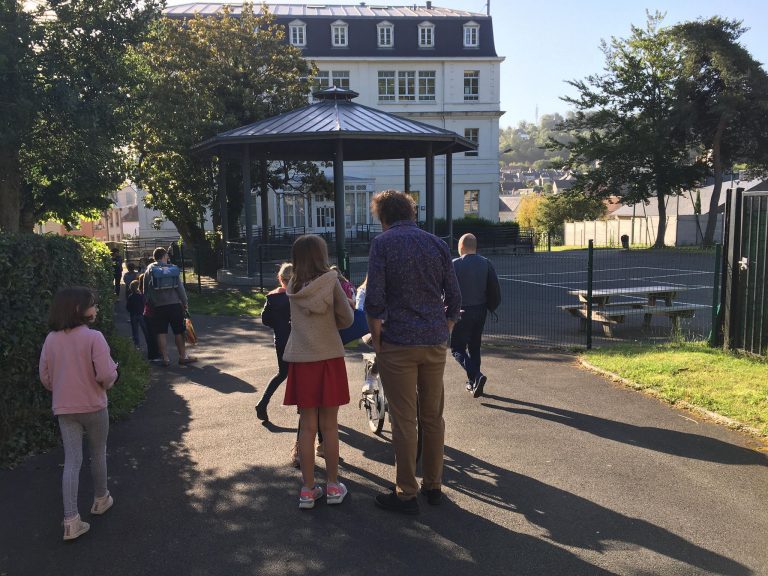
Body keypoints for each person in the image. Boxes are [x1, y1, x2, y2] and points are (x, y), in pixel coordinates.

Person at [365, 190, 461, 514]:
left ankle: (406, 492)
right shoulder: (437, 244)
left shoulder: (383, 244)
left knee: (405, 420)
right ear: (412, 212)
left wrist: (378, 341)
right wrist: (444, 328)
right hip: (434, 342)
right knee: (433, 416)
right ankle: (434, 485)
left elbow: (374, 300)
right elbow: (455, 298)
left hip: (399, 343)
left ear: (383, 217)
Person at [39, 287, 119, 541]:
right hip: (94, 405)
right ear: (78, 309)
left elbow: (46, 377)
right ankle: (100, 498)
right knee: (98, 453)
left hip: (65, 408)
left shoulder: (51, 339)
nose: (96, 308)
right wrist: (110, 380)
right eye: (92, 304)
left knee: (72, 461)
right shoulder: (94, 337)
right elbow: (106, 375)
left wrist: (62, 389)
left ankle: (71, 520)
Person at [283, 234, 354, 509]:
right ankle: (334, 485)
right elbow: (346, 319)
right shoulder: (331, 281)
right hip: (328, 357)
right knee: (330, 426)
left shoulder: (293, 284)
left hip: (301, 359)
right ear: (321, 255)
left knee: (307, 427)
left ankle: (308, 489)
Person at [450, 233, 501, 398]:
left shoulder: (454, 265)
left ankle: (476, 376)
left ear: (461, 247)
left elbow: (446, 289)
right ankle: (474, 382)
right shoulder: (486, 263)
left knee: (457, 348)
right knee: (474, 346)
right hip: (480, 310)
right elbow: (494, 289)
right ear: (475, 246)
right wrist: (491, 306)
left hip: (461, 311)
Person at [142, 247, 196, 366]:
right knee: (178, 332)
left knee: (161, 333)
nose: (168, 257)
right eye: (167, 255)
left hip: (158, 306)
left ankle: (165, 358)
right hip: (174, 305)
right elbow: (180, 288)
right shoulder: (172, 269)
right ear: (164, 256)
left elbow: (145, 289)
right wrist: (185, 302)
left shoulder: (149, 269)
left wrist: (150, 302)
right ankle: (182, 356)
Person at [256, 262, 293, 423]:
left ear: (280, 278)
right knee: (300, 373)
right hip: (296, 340)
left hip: (280, 340)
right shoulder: (297, 297)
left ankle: (263, 402)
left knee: (282, 373)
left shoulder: (272, 297)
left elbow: (265, 319)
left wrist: (278, 325)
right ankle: (304, 408)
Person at [126, 280, 149, 349]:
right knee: (145, 330)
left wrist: (130, 310)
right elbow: (144, 304)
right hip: (141, 314)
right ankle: (149, 343)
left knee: (135, 331)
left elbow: (128, 307)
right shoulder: (141, 296)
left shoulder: (130, 297)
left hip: (133, 315)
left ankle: (137, 345)